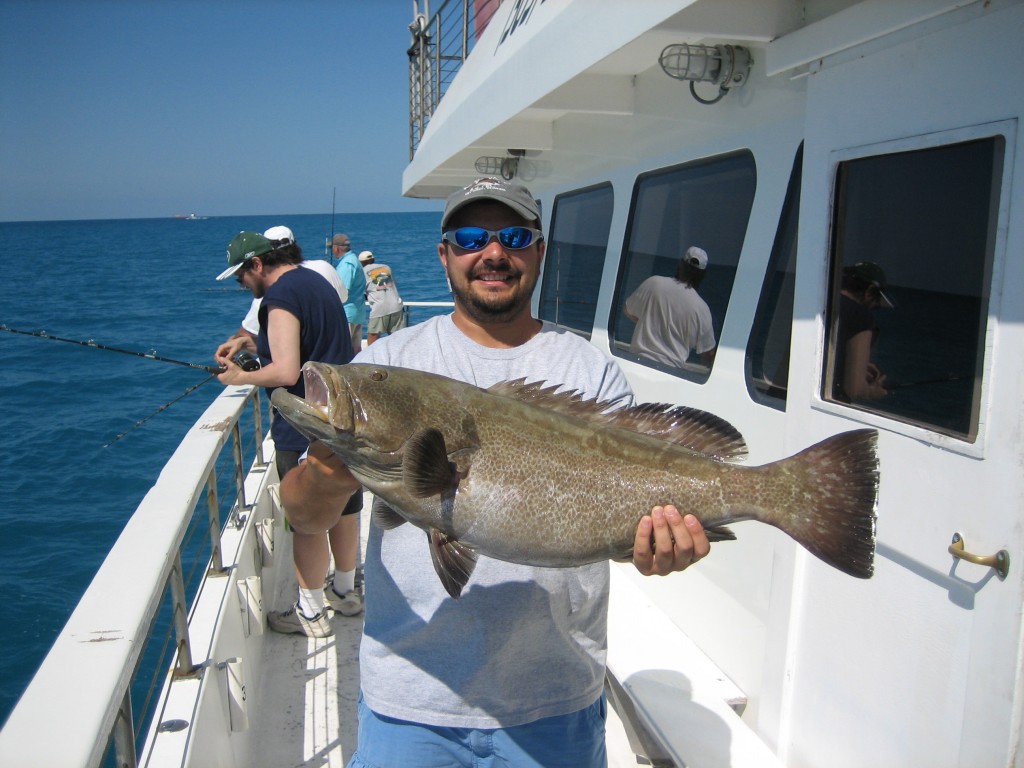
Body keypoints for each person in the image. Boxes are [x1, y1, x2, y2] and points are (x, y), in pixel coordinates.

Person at [279, 177, 711, 768]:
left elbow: (618, 522)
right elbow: (302, 514)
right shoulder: (386, 361)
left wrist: (658, 548)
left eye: (514, 236)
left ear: (538, 251)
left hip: (556, 700)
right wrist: (330, 471)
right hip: (409, 701)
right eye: (470, 237)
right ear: (445, 254)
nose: (493, 253)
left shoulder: (591, 371)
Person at [213, 230, 363, 638]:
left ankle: (311, 613)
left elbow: (285, 371)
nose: (243, 285)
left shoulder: (277, 297)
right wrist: (251, 340)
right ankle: (346, 592)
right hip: (344, 417)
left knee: (307, 520)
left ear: (257, 265)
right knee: (346, 507)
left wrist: (241, 374)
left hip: (305, 426)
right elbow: (307, 338)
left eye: (242, 276)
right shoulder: (315, 280)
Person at [624, 246, 717, 368]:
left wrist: (650, 323)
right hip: (671, 374)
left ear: (681, 264)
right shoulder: (701, 309)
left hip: (636, 363)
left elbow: (628, 310)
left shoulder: (654, 283)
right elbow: (708, 352)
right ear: (702, 275)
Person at [833, 261, 895, 402]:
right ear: (869, 291)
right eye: (876, 302)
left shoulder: (820, 303)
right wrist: (872, 393)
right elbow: (855, 391)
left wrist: (854, 366)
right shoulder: (861, 316)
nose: (873, 308)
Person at [359, 249, 407, 345]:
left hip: (379, 309)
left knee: (373, 340)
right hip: (396, 306)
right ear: (373, 259)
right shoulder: (386, 267)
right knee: (399, 341)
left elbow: (362, 292)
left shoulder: (361, 272)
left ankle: (371, 359)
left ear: (361, 263)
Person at [331, 233, 368, 351]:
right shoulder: (354, 260)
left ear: (336, 248)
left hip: (347, 315)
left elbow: (342, 291)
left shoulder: (346, 265)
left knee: (344, 350)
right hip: (357, 312)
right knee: (356, 349)